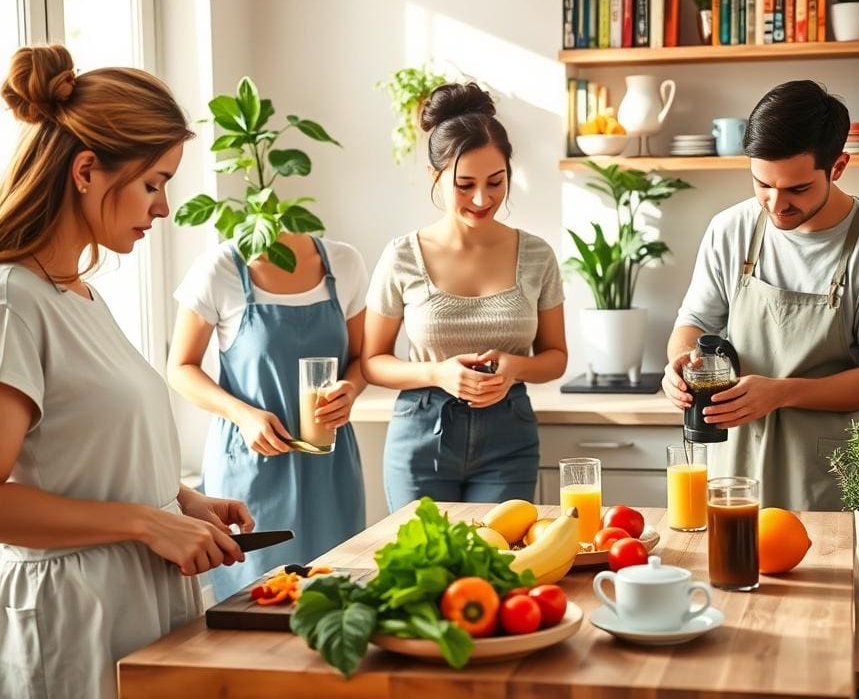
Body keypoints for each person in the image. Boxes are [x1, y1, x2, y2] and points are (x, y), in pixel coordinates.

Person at [0, 45, 253, 699]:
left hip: (135, 602)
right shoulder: (13, 301)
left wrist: (181, 504)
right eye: (154, 183)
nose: (163, 208)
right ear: (86, 170)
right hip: (75, 618)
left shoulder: (78, 293)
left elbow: (80, 451)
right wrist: (146, 522)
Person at [662, 80, 859, 511]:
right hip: (733, 465)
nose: (775, 204)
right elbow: (694, 323)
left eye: (796, 189)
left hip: (826, 474)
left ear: (837, 166)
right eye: (761, 184)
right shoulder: (731, 230)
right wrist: (678, 364)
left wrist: (781, 392)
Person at [362, 82, 567, 511]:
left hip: (509, 438)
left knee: (497, 568)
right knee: (424, 568)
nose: (481, 199)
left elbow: (555, 357)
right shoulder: (402, 256)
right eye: (464, 184)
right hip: (420, 435)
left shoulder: (537, 255)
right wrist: (439, 374)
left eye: (496, 182)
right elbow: (373, 362)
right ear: (436, 177)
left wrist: (515, 367)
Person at [167, 225, 367, 600]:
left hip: (330, 463)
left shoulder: (344, 263)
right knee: (255, 603)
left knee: (338, 595)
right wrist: (243, 415)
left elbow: (360, 359)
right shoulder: (220, 268)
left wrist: (350, 390)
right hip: (251, 467)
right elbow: (180, 368)